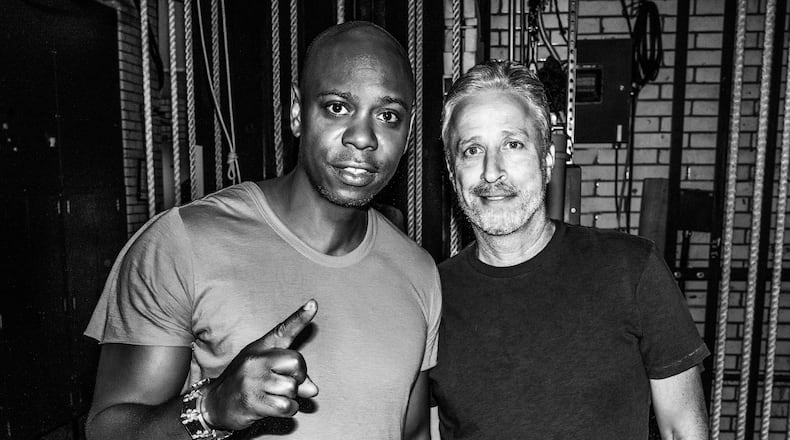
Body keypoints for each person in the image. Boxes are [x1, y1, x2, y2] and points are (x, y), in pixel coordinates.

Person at [85, 21, 440, 440]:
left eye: (387, 116)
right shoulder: (182, 243)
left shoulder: (419, 272)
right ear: (297, 112)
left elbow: (413, 432)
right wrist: (211, 408)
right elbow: (107, 431)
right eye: (337, 107)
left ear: (408, 132)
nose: (363, 137)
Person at [429, 60, 709, 439]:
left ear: (547, 160)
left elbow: (682, 430)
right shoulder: (431, 295)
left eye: (513, 144)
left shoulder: (631, 270)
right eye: (473, 149)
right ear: (452, 172)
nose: (492, 171)